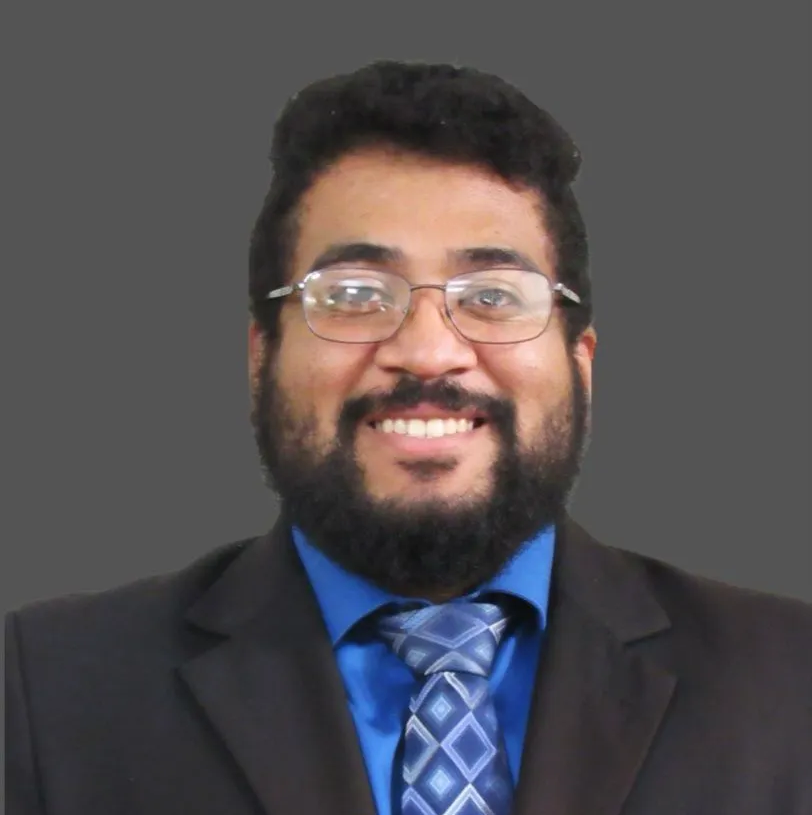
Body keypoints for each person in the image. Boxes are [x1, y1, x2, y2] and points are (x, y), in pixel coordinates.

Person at [5, 60, 811, 815]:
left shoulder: (789, 680)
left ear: (581, 359)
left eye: (493, 295)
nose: (427, 351)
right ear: (262, 355)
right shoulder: (43, 686)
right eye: (355, 294)